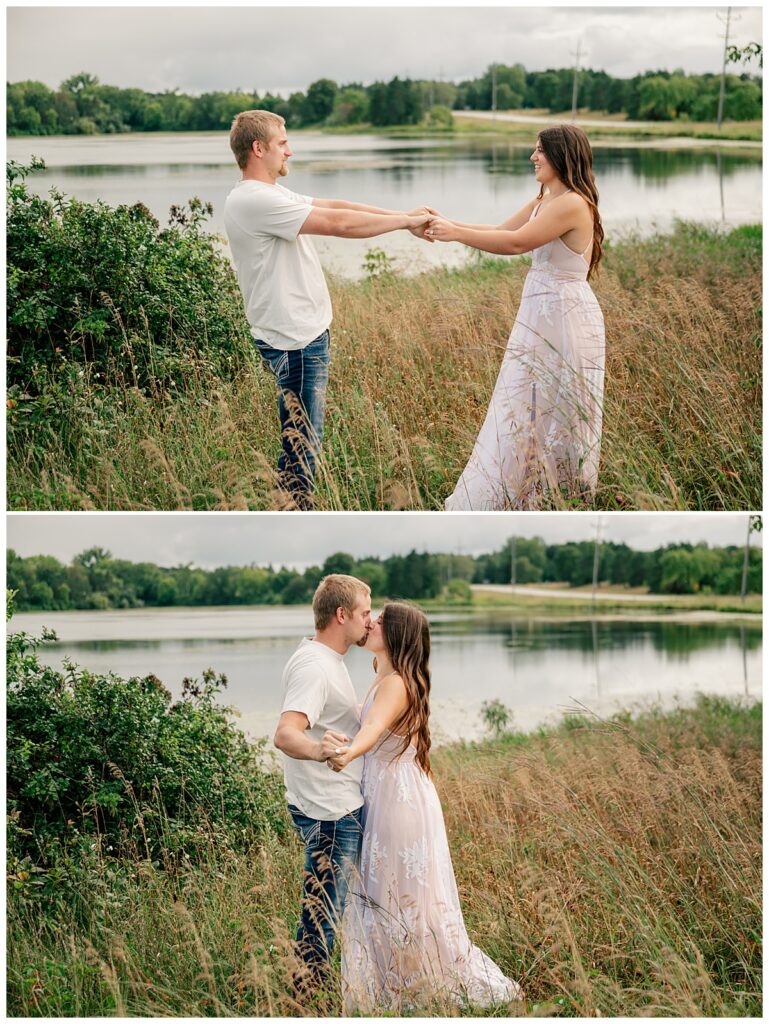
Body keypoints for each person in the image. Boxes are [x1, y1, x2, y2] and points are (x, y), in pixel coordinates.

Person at [223, 110, 431, 509]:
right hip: (296, 343)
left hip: (298, 335)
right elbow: (339, 224)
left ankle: (288, 505)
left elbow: (335, 203)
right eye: (283, 144)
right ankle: (293, 510)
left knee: (300, 441)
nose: (290, 150)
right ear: (258, 148)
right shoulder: (256, 201)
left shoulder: (265, 194)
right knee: (302, 450)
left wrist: (405, 217)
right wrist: (406, 221)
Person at [326, 602, 523, 1013]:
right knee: (385, 895)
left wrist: (346, 754)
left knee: (399, 897)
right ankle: (395, 989)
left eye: (379, 621)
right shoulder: (383, 675)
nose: (370, 622)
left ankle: (412, 992)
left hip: (397, 802)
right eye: (370, 616)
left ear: (395, 635)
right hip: (388, 792)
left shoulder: (396, 682)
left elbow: (373, 731)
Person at [424, 124, 605, 510]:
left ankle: (557, 493)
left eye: (540, 150)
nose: (532, 157)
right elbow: (499, 229)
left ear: (561, 155)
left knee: (559, 404)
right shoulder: (545, 197)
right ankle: (524, 490)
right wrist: (449, 224)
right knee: (525, 400)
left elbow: (517, 243)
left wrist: (455, 233)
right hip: (539, 315)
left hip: (565, 316)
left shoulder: (573, 203)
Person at [272, 574, 372, 992]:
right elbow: (285, 733)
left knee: (326, 914)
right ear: (342, 614)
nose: (371, 621)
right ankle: (304, 1002)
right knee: (321, 920)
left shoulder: (323, 658)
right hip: (331, 813)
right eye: (366, 613)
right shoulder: (316, 666)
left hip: (329, 805)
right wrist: (319, 751)